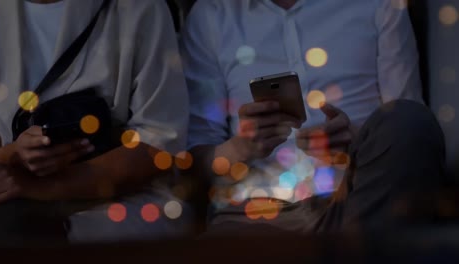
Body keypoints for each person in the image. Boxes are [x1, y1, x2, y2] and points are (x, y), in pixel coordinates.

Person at [180, 0, 446, 234]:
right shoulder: (211, 14)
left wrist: (358, 145)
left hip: (357, 200)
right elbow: (192, 164)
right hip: (253, 214)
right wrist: (240, 148)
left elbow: (410, 133)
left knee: (409, 120)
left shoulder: (379, 3)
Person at [0, 0, 190, 243]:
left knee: (22, 231)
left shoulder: (138, 8)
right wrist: (14, 155)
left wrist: (47, 187)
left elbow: (160, 146)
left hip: (118, 202)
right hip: (7, 197)